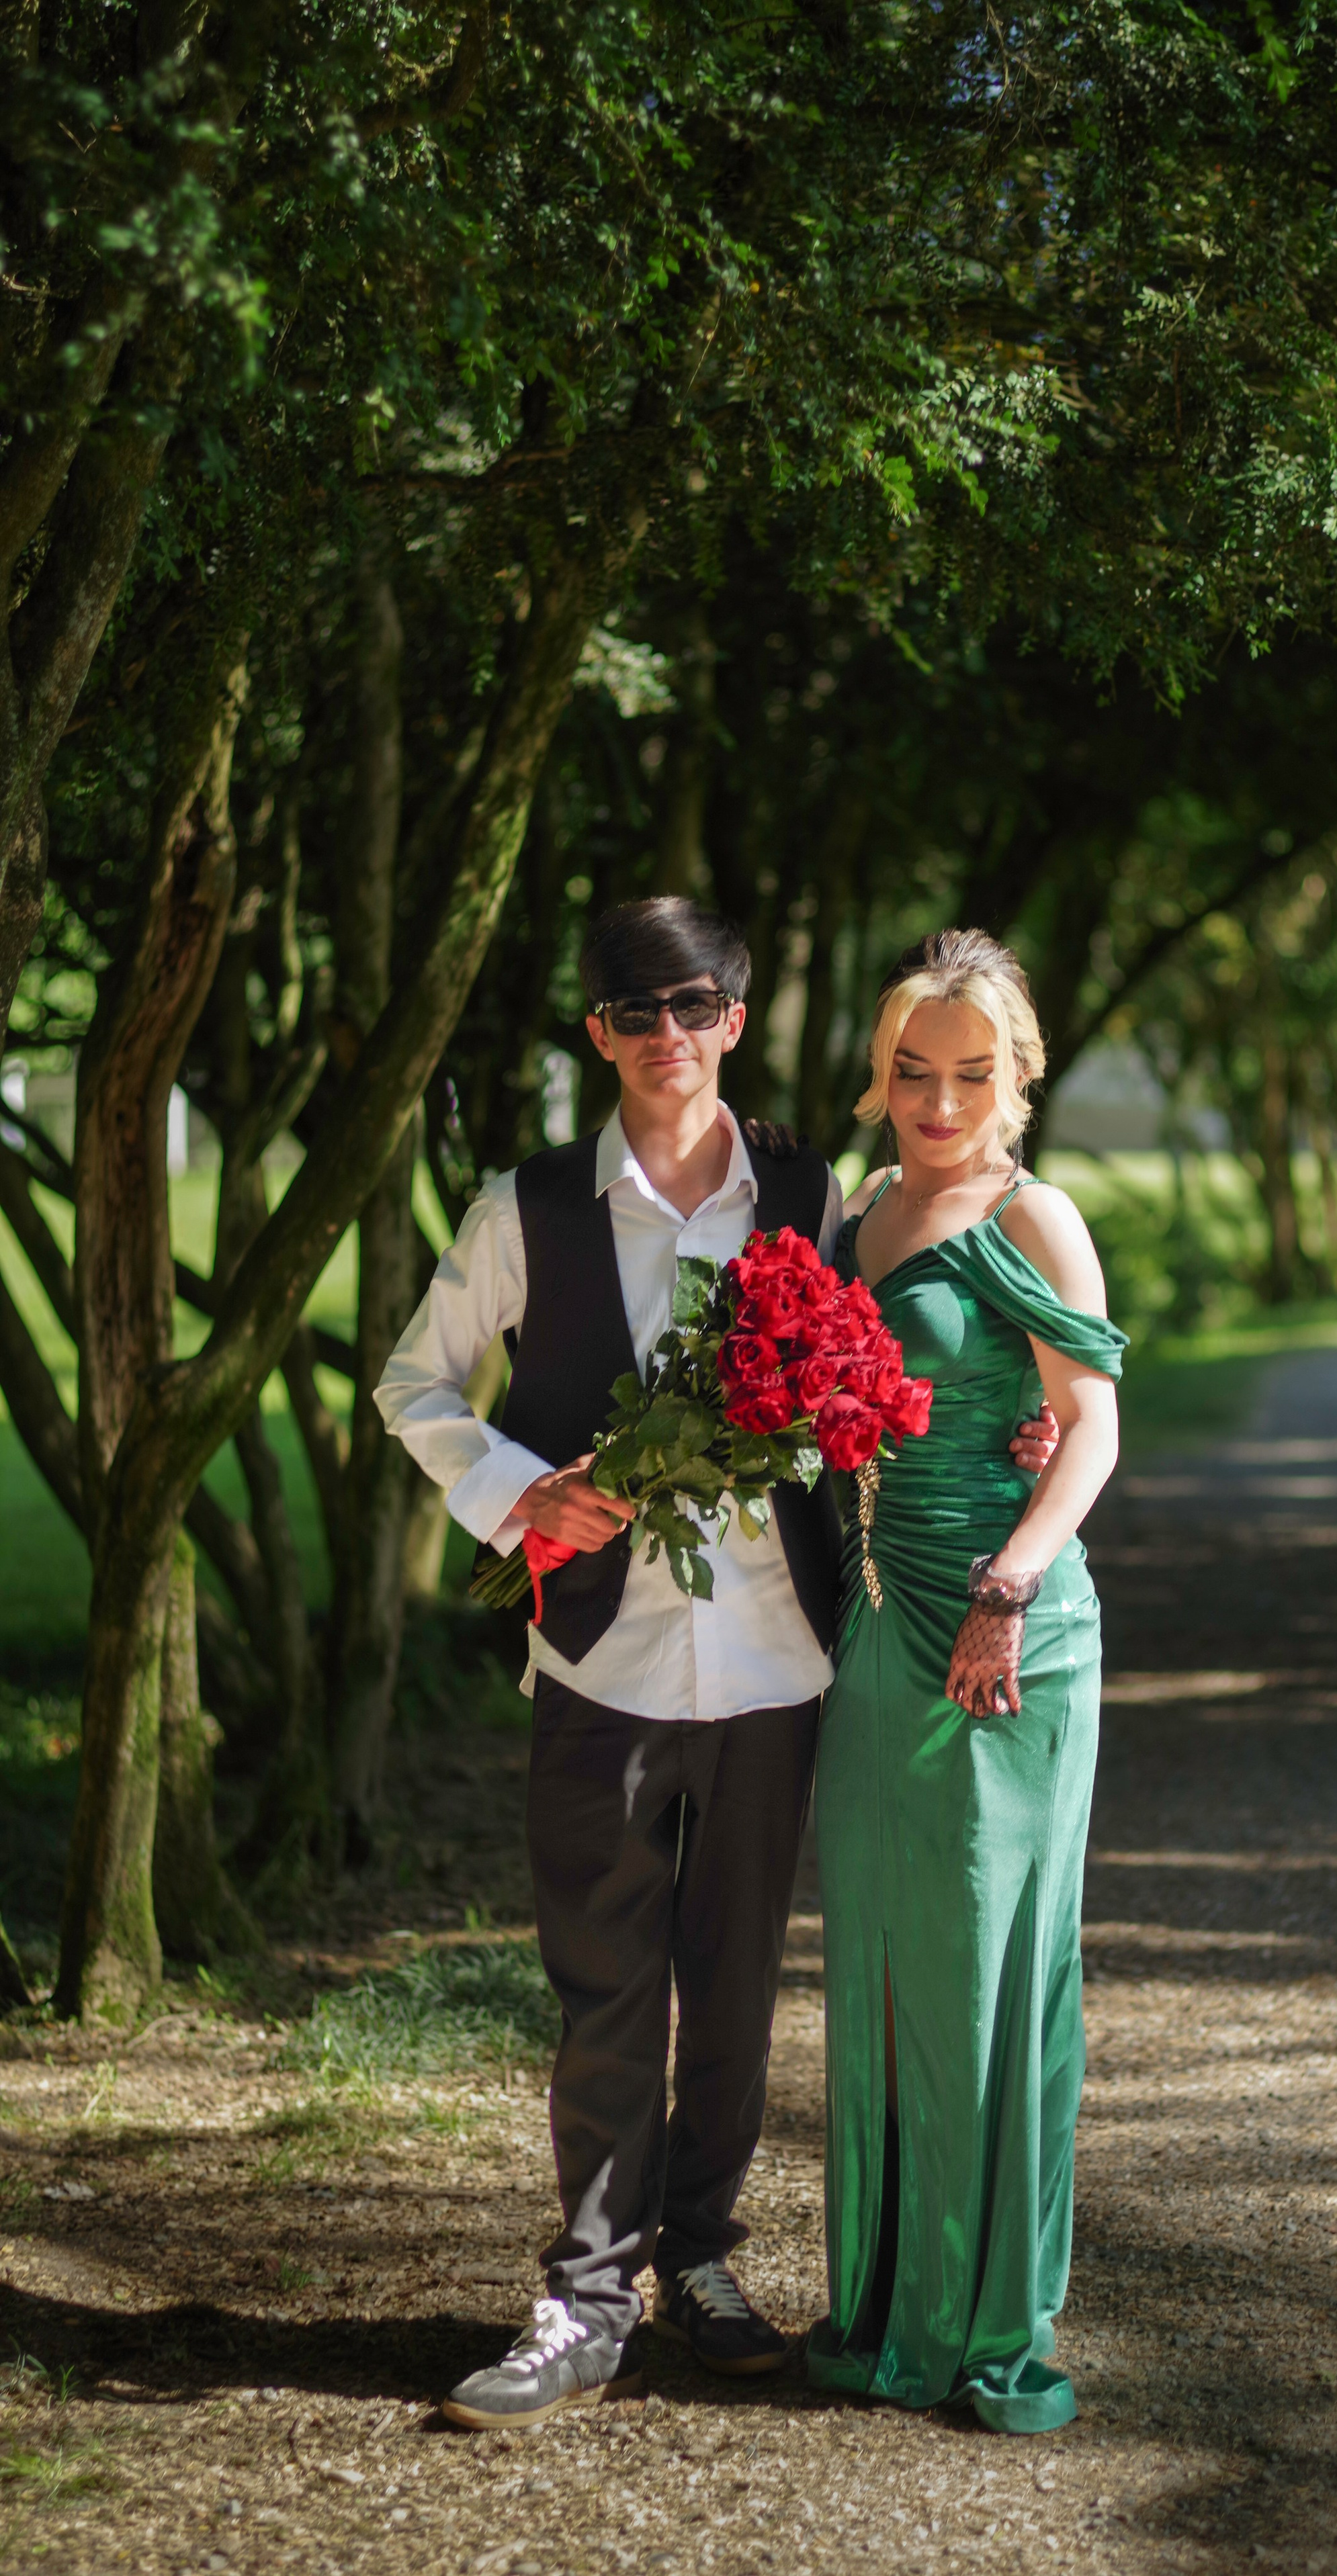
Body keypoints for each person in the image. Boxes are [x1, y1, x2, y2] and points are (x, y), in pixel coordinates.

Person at [374, 897, 1059, 2429]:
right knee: (603, 1978)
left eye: (694, 1007)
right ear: (598, 1036)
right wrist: (513, 1491)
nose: (665, 1036)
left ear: (734, 1022)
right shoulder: (526, 1207)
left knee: (736, 1982)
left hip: (778, 1657)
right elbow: (409, 1382)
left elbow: (905, 1356)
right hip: (596, 1654)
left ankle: (703, 2259)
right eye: (633, 1013)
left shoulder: (816, 1195)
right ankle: (586, 2291)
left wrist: (1020, 1428)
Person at [805, 928, 1126, 2436]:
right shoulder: (850, 1214)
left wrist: (1005, 1584)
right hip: (877, 1625)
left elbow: (1091, 1430)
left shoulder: (1034, 1214)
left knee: (993, 1966)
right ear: (880, 1076)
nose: (940, 1101)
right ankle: (883, 2303)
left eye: (971, 1073)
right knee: (882, 1955)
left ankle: (988, 2318)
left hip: (1010, 1632)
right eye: (912, 1071)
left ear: (1020, 1076)